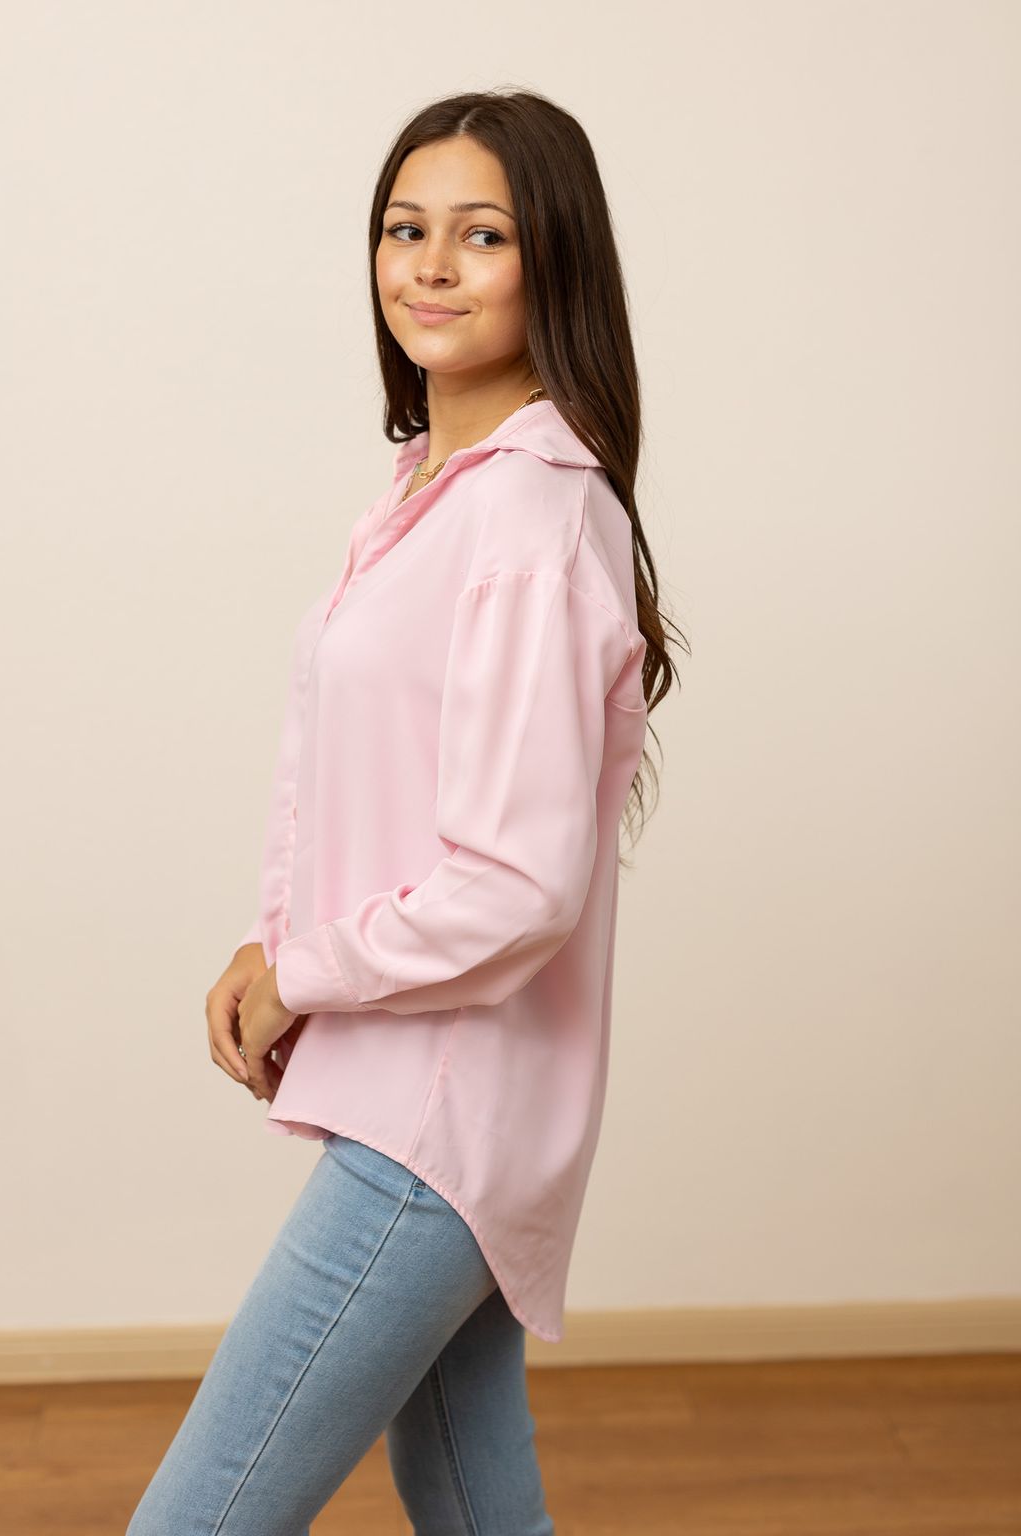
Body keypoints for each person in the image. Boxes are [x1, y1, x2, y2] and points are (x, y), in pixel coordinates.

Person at [128, 86, 683, 1535]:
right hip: (421, 1096)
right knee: (476, 1505)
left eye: (482, 235)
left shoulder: (528, 518)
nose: (430, 266)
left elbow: (516, 882)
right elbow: (369, 784)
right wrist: (280, 949)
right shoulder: (433, 492)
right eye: (404, 229)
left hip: (440, 1120)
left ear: (554, 261)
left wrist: (302, 971)